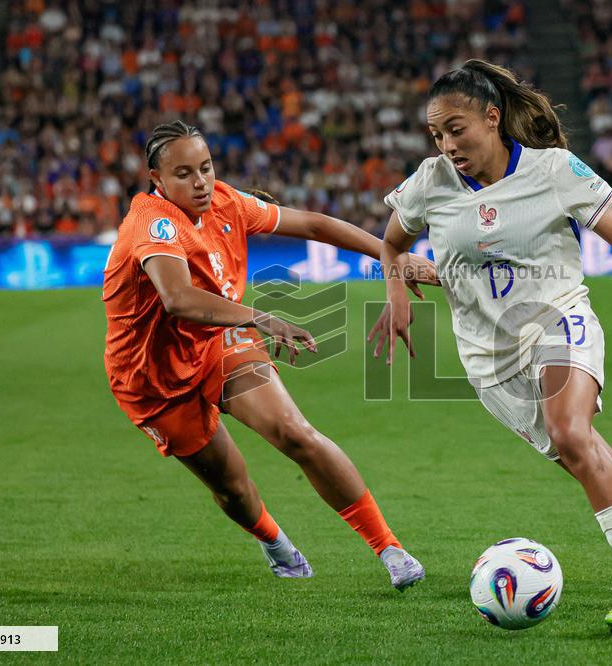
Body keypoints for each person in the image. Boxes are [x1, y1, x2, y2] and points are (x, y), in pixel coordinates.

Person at [371, 60, 612, 628]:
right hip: (489, 361)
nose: (447, 145)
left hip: (560, 321)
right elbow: (392, 245)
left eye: (456, 129)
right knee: (594, 466)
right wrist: (398, 292)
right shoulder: (430, 182)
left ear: (492, 118)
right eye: (436, 134)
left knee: (571, 434)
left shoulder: (554, 169)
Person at [103, 120, 435, 590]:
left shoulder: (226, 201)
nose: (200, 182)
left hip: (217, 340)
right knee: (232, 487)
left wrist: (392, 257)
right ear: (157, 179)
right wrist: (261, 317)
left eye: (206, 167)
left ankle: (391, 550)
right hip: (151, 379)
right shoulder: (152, 223)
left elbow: (315, 225)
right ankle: (274, 540)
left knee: (295, 432)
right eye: (184, 173)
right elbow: (177, 298)